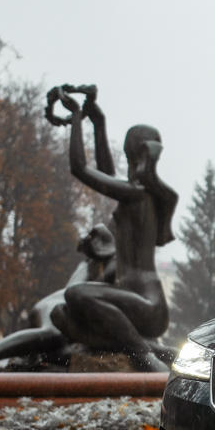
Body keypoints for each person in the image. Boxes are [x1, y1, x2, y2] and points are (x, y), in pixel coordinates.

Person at [47, 85, 178, 372]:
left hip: (147, 305)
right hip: (131, 303)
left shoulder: (141, 195)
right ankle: (151, 349)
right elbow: (107, 175)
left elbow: (80, 169)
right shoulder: (137, 194)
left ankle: (145, 356)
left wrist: (78, 116)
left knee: (76, 294)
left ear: (132, 151)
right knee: (60, 314)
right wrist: (98, 121)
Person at [0, 225, 118, 372]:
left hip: (57, 306)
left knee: (59, 350)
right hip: (55, 306)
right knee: (53, 334)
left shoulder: (90, 265)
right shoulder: (103, 265)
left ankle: (23, 359)